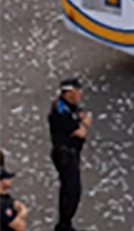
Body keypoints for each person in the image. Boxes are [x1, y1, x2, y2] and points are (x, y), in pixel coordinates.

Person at [49, 78, 91, 231]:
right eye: (76, 91)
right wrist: (85, 124)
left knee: (69, 190)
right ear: (67, 93)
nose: (80, 94)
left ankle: (65, 222)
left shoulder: (69, 106)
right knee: (72, 190)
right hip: (65, 155)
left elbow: (80, 114)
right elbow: (80, 132)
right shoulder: (60, 112)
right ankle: (64, 224)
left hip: (71, 153)